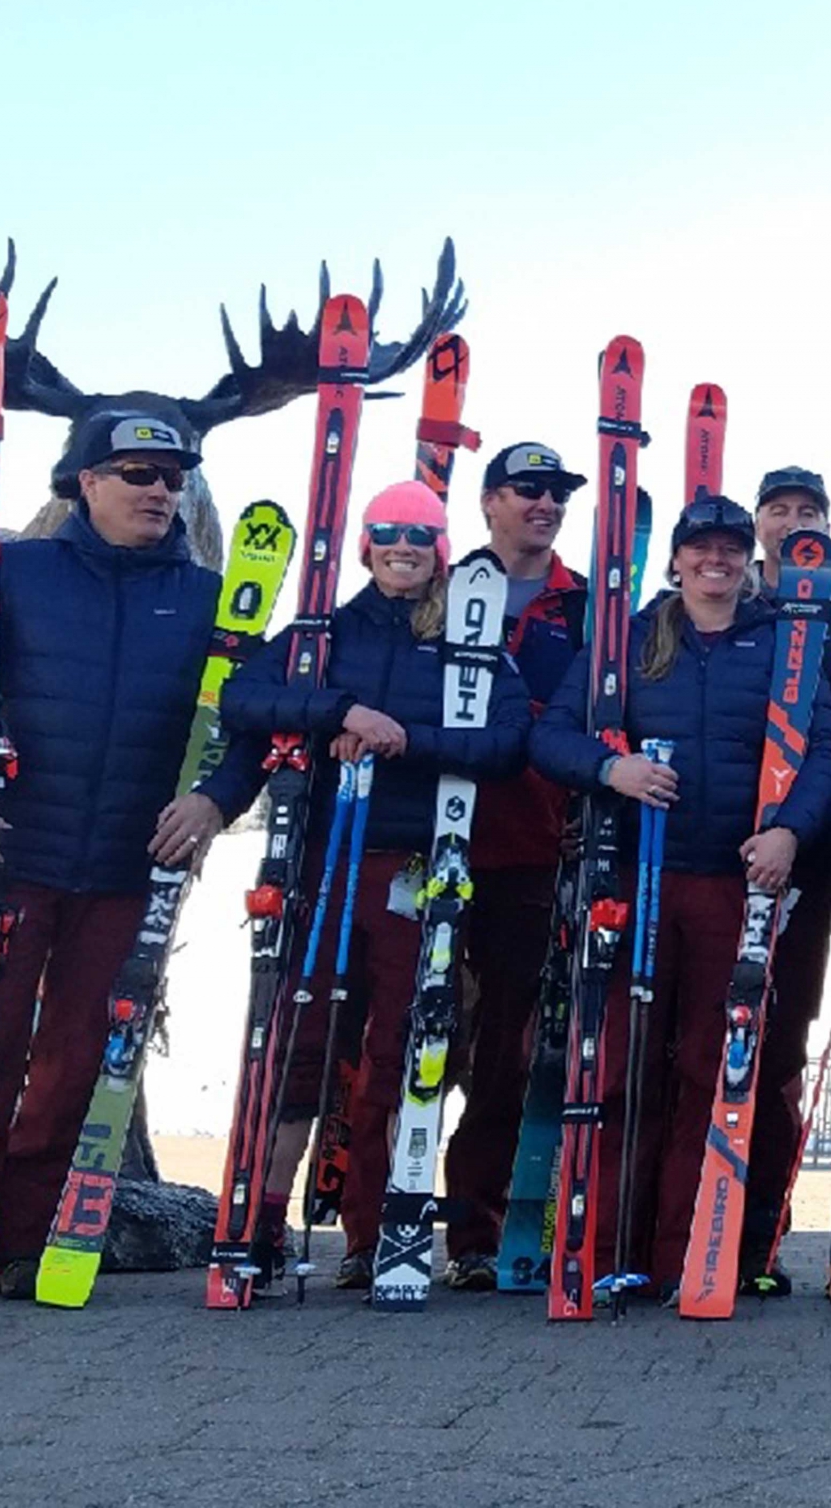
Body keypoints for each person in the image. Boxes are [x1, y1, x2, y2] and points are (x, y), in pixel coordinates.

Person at [0, 414, 248, 1305]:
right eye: (138, 472)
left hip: (123, 866)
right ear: (83, 484)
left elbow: (254, 717)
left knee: (77, 1064)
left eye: (174, 475)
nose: (162, 489)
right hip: (9, 850)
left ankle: (30, 1238)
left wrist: (216, 798)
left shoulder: (204, 599)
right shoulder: (10, 576)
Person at [528, 493, 831, 1299]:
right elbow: (552, 734)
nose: (718, 560)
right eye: (702, 547)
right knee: (621, 1067)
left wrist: (790, 833)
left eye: (732, 549)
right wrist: (614, 769)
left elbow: (826, 750)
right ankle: (600, 1250)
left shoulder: (788, 642)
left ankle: (684, 1257)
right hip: (640, 880)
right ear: (676, 558)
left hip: (736, 884)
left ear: (750, 559)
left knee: (713, 1073)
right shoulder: (632, 637)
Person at [217, 480, 531, 1290]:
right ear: (365, 544)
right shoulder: (326, 633)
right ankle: (262, 1222)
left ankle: (372, 1232)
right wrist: (341, 712)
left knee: (398, 1050)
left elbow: (507, 740)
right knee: (303, 1047)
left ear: (441, 549)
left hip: (416, 863)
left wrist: (406, 741)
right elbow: (242, 696)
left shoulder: (468, 639)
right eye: (388, 532)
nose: (404, 546)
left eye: (420, 535)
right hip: (327, 860)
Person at [438, 444, 589, 1291]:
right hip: (441, 841)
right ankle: (368, 1232)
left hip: (534, 851)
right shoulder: (445, 588)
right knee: (406, 1038)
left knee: (506, 1049)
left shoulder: (586, 606)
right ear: (490, 500)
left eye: (557, 494)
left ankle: (477, 1232)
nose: (545, 504)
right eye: (528, 490)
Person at [740, 464, 831, 1292]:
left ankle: (758, 1236)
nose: (791, 522)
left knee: (778, 1042)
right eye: (779, 510)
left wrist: (822, 822)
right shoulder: (719, 605)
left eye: (807, 511)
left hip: (803, 859)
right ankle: (683, 1219)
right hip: (713, 857)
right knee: (705, 1037)